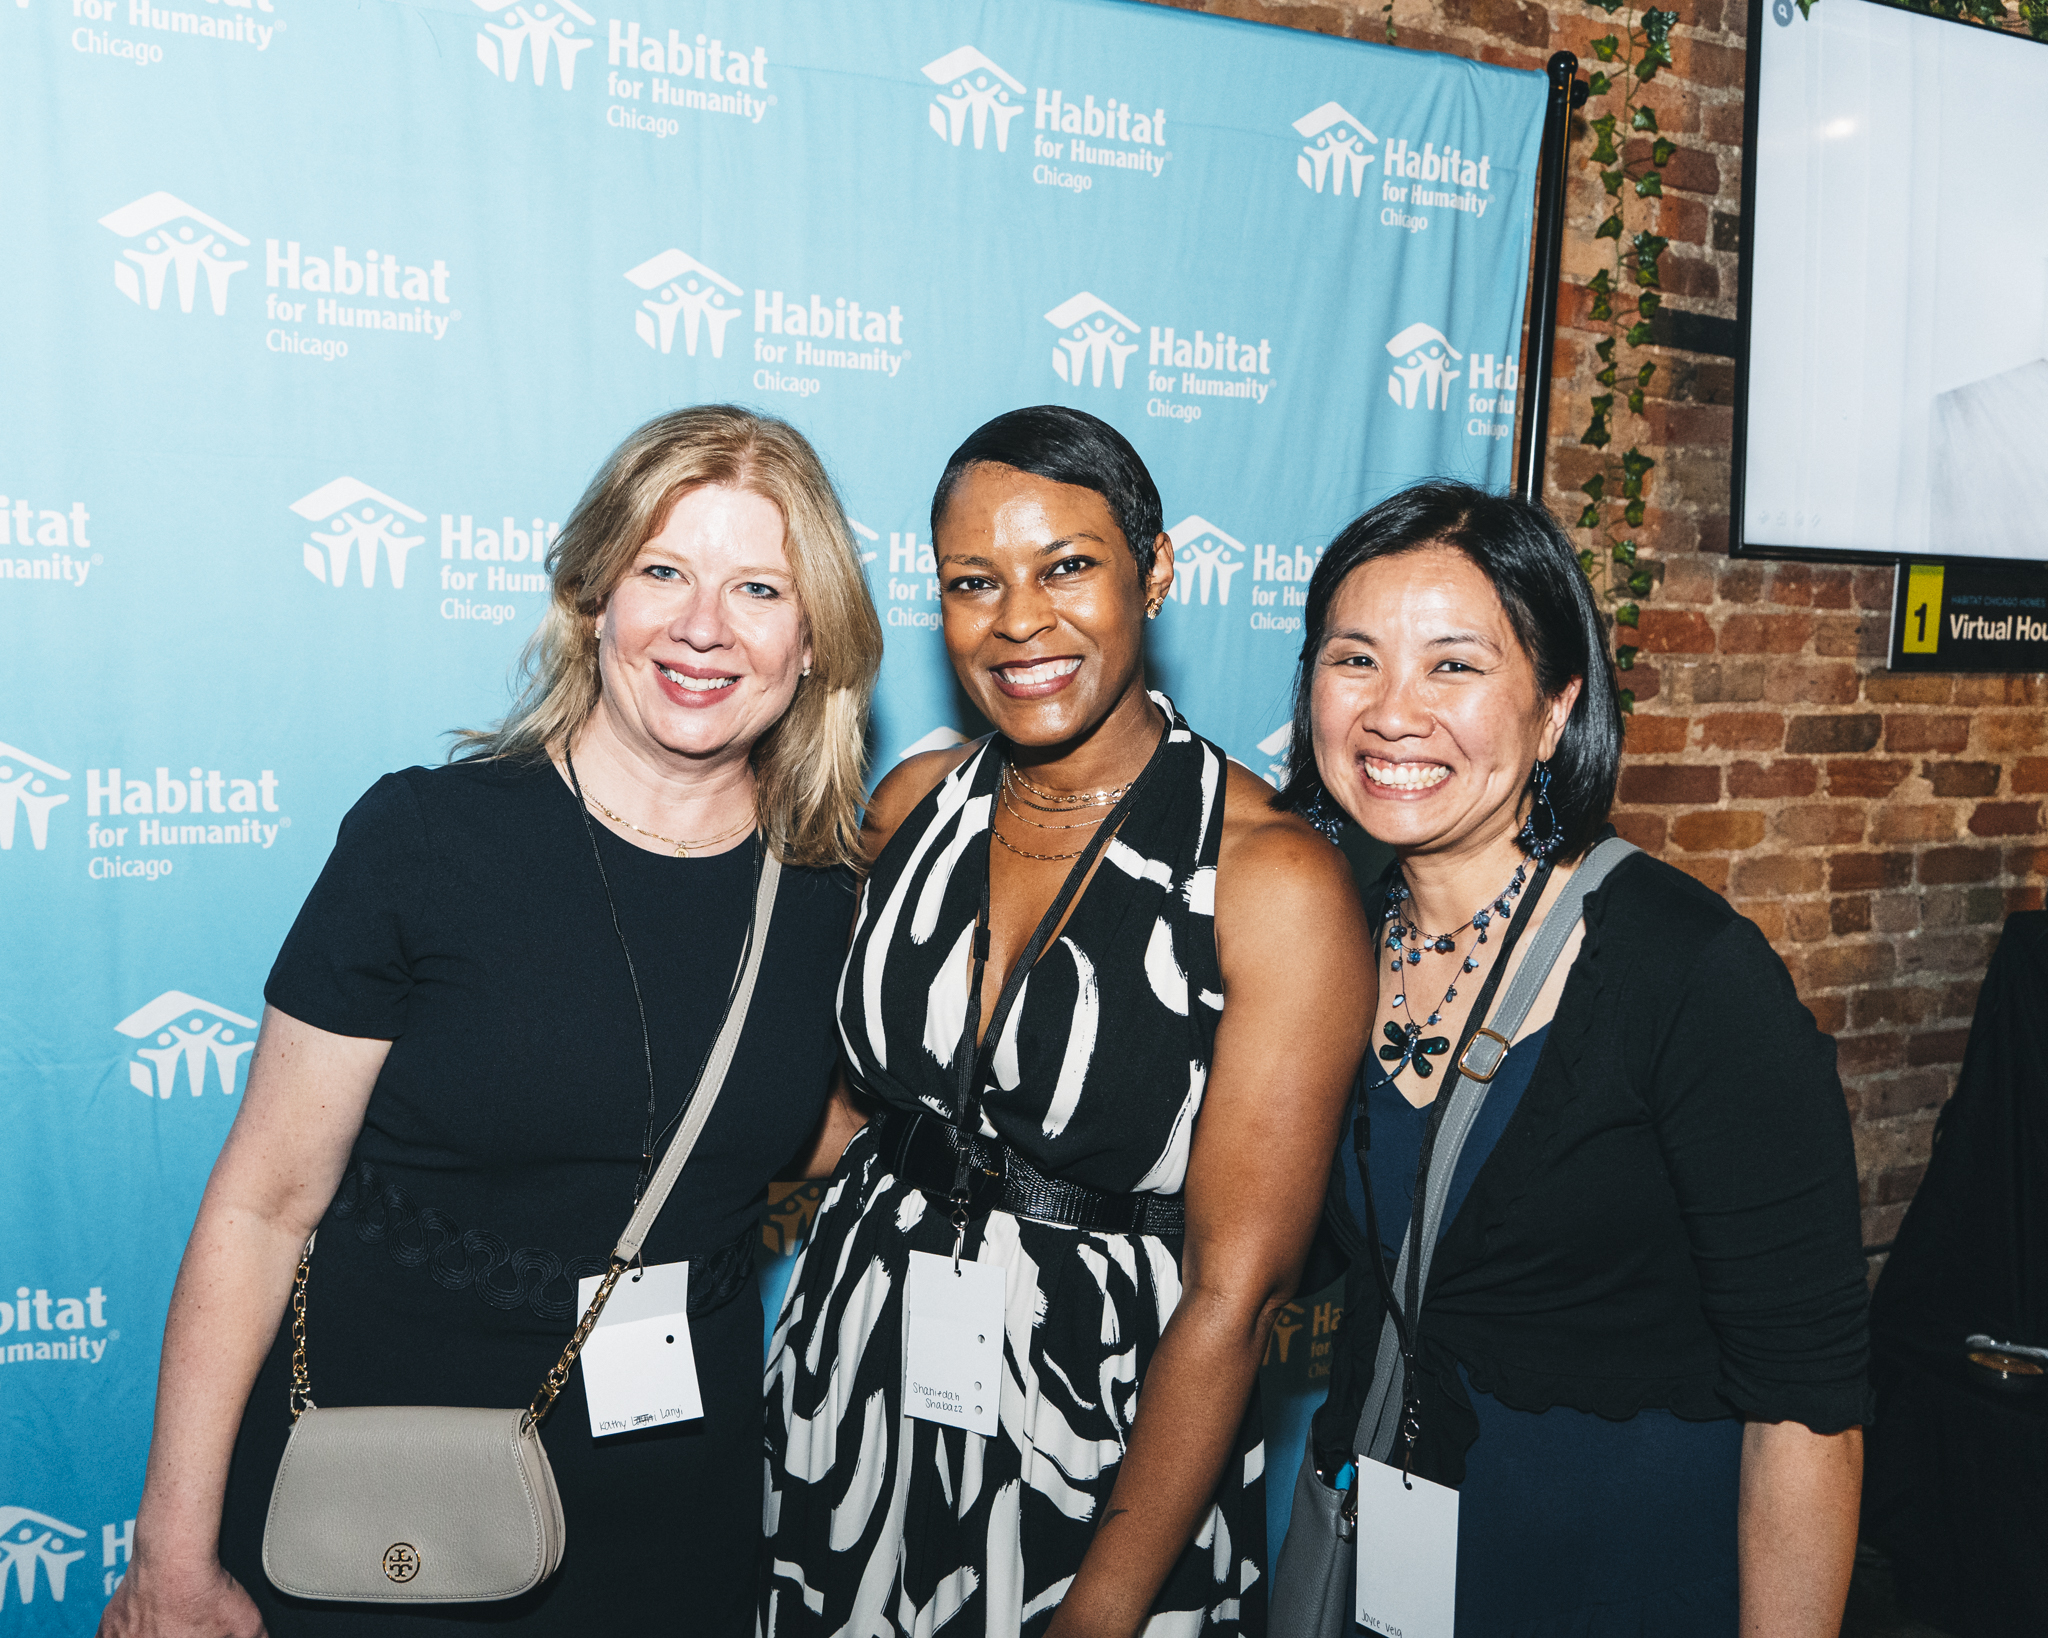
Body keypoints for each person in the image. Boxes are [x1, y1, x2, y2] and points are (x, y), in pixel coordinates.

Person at [99, 405, 882, 1638]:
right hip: (389, 1515)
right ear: (591, 603)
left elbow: (824, 1131)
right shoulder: (426, 842)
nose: (701, 627)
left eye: (758, 590)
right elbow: (262, 1204)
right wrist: (172, 1554)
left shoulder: (839, 900)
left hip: (679, 1529)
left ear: (814, 640)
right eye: (662, 572)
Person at [761, 406, 1374, 1637]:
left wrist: (1099, 1612)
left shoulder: (1267, 880)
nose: (1019, 621)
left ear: (1154, 571)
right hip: (851, 1380)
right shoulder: (912, 807)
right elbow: (841, 1111)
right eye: (972, 583)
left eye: (1068, 569)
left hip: (1100, 1431)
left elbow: (1235, 1293)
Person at [1276, 480, 1868, 1636]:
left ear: (1553, 711)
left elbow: (1807, 1410)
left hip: (1617, 1571)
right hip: (1381, 1545)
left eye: (1453, 665)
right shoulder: (1317, 935)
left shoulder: (1689, 974)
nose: (1394, 713)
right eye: (1354, 660)